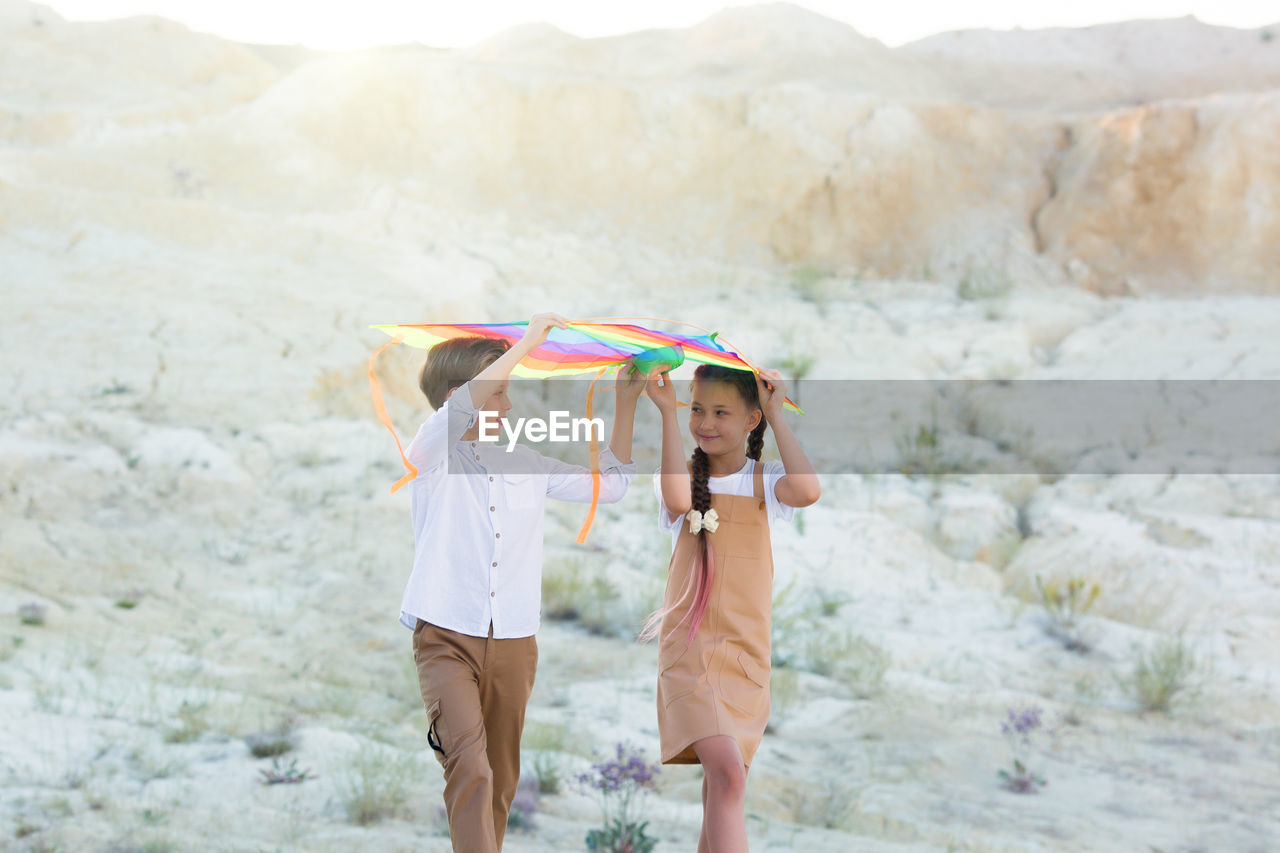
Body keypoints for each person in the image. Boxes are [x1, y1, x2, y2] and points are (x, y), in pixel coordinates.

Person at [402, 313, 644, 852]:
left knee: (501, 780)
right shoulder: (431, 453)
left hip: (514, 641)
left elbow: (612, 487)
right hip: (445, 636)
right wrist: (529, 342)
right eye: (500, 391)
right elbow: (464, 407)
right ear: (456, 397)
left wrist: (626, 403)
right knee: (470, 767)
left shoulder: (526, 461)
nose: (508, 405)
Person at [642, 364, 820, 853]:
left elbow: (808, 491)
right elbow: (678, 498)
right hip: (691, 654)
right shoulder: (681, 477)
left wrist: (776, 414)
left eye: (722, 412)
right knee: (726, 776)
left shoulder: (766, 482)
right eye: (697, 409)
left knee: (721, 786)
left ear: (750, 420)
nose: (705, 422)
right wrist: (664, 412)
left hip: (745, 657)